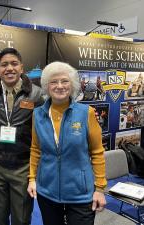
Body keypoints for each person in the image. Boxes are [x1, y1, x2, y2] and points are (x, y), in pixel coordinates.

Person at [27, 61, 107, 225]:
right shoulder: (38, 114)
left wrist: (99, 189)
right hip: (47, 191)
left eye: (64, 81)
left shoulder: (87, 113)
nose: (59, 86)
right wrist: (32, 179)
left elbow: (97, 152)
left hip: (80, 194)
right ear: (47, 86)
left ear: (72, 85)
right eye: (54, 82)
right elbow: (36, 149)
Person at [0, 48, 44, 225]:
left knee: (22, 218)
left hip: (23, 166)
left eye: (14, 64)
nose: (9, 68)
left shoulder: (36, 95)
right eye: (4, 65)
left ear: (21, 68)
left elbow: (42, 132)